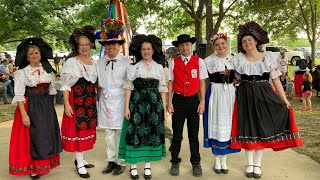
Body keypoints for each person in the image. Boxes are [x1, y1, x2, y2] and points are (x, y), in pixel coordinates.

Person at [230, 21, 303, 179]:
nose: (247, 43)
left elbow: (276, 81)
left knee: (262, 127)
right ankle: (249, 164)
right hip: (245, 95)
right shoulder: (238, 59)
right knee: (248, 127)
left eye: (249, 40)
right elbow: (236, 80)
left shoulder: (268, 58)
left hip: (264, 94)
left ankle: (257, 164)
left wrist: (284, 100)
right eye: (244, 41)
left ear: (256, 41)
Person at [9, 37, 62, 179]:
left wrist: (50, 109)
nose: (34, 55)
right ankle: (33, 167)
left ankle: (44, 163)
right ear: (27, 57)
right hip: (30, 106)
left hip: (46, 107)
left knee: (45, 135)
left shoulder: (48, 71)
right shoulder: (21, 73)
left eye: (36, 53)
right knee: (34, 137)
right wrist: (24, 114)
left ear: (40, 55)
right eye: (31, 53)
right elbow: (19, 94)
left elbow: (51, 91)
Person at [119, 34, 167, 180]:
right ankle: (133, 166)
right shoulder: (133, 67)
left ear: (153, 51)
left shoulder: (159, 67)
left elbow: (163, 89)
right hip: (137, 105)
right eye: (143, 49)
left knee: (151, 133)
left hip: (154, 106)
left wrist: (163, 110)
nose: (146, 52)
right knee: (135, 134)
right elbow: (128, 88)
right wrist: (126, 107)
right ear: (139, 51)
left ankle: (147, 166)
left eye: (149, 49)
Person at [168, 34, 208, 177]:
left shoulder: (199, 62)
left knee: (193, 134)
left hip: (193, 101)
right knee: (177, 134)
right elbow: (171, 83)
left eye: (187, 45)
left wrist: (202, 101)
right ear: (178, 47)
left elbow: (202, 82)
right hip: (178, 101)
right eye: (181, 45)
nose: (184, 47)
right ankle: (175, 161)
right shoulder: (173, 62)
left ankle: (196, 162)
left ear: (191, 46)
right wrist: (169, 102)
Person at [60, 25, 97, 178]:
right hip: (76, 101)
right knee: (78, 131)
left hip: (89, 101)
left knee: (85, 130)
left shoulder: (93, 62)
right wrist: (67, 104)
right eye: (81, 44)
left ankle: (80, 158)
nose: (84, 47)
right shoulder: (71, 62)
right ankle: (79, 163)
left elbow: (95, 84)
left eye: (86, 44)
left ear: (91, 45)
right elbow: (66, 85)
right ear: (76, 46)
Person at [203, 33, 240, 175]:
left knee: (228, 126)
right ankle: (216, 160)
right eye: (217, 45)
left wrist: (234, 79)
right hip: (215, 93)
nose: (220, 47)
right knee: (215, 124)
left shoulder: (234, 59)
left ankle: (224, 161)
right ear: (213, 46)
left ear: (227, 44)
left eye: (223, 44)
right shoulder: (207, 61)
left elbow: (239, 78)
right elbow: (202, 80)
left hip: (230, 93)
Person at [96, 19, 130, 176]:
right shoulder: (100, 62)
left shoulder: (126, 62)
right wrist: (98, 98)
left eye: (114, 44)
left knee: (119, 132)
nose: (111, 47)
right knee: (108, 132)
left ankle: (120, 161)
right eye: (108, 44)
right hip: (106, 100)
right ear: (105, 46)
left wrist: (128, 106)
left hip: (121, 99)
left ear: (119, 45)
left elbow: (130, 84)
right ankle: (111, 160)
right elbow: (98, 83)